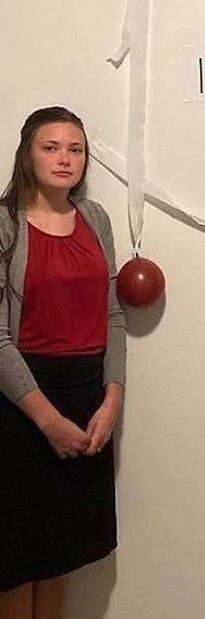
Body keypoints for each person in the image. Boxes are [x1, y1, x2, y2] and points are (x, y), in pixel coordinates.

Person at [0, 106, 126, 618]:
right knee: (14, 564)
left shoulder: (95, 219)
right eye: (50, 147)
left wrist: (112, 399)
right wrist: (48, 421)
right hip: (20, 404)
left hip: (86, 397)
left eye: (75, 149)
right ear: (28, 154)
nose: (64, 158)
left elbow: (112, 314)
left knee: (60, 556)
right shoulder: (5, 224)